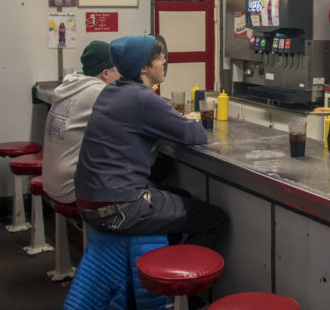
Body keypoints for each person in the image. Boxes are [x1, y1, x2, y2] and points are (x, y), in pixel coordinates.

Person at [74, 34, 228, 249]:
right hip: (118, 208)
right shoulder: (142, 98)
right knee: (214, 220)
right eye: (160, 57)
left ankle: (163, 257)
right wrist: (184, 121)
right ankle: (176, 276)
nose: (164, 62)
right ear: (143, 67)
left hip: (89, 201)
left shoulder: (112, 89)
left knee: (181, 196)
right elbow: (196, 134)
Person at [42, 41, 121, 204]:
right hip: (71, 189)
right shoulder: (99, 92)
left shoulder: (71, 87)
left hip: (51, 182)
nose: (122, 76)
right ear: (105, 73)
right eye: (119, 70)